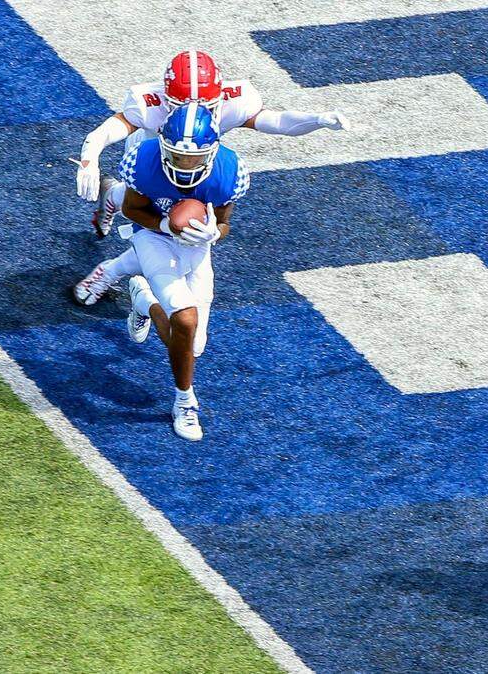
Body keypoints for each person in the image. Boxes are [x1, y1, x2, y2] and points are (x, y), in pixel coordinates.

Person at [71, 49, 346, 306]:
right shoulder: (149, 104)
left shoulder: (234, 101)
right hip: (153, 158)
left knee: (182, 232)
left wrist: (317, 119)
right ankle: (113, 232)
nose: (192, 109)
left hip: (204, 165)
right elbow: (106, 131)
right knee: (159, 224)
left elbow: (276, 122)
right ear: (166, 97)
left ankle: (112, 212)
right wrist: (89, 160)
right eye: (179, 105)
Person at [110, 101, 248, 441]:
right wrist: (164, 226)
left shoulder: (230, 169)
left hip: (196, 247)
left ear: (212, 151)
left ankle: (144, 301)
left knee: (192, 345)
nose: (186, 164)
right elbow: (131, 209)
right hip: (153, 238)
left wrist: (215, 233)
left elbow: (225, 222)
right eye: (178, 155)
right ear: (163, 145)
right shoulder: (143, 159)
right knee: (185, 321)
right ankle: (184, 400)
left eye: (194, 157)